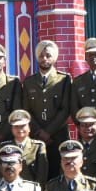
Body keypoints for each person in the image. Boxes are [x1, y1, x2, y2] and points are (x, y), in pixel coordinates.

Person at [22, 39, 72, 173]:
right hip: (35, 137)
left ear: (54, 58)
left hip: (58, 136)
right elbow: (26, 111)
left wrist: (48, 132)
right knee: (37, 173)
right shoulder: (29, 82)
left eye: (48, 55)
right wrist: (39, 132)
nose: (44, 59)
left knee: (59, 173)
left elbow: (65, 109)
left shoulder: (64, 80)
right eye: (41, 56)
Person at [5, 109, 49, 184]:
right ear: (12, 129)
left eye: (23, 126)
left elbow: (41, 175)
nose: (20, 129)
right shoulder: (5, 147)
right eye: (16, 126)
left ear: (29, 128)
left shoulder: (38, 146)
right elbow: (1, 173)